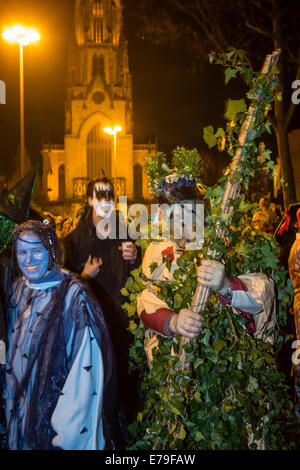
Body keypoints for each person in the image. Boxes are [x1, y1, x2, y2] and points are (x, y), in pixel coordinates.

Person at [137, 168, 276, 365]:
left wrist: (226, 286)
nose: (179, 221)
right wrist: (173, 322)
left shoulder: (230, 244)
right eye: (171, 214)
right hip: (177, 366)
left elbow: (263, 293)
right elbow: (146, 300)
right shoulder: (156, 250)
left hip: (226, 364)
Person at [4, 220, 119, 450]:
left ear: (51, 250)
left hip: (57, 425)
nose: (28, 260)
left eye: (36, 251)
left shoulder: (73, 296)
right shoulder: (17, 289)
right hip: (18, 421)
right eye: (22, 252)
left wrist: (67, 435)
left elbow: (86, 372)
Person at [64, 177, 140, 423]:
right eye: (100, 195)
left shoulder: (125, 232)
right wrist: (84, 277)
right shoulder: (73, 240)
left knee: (123, 379)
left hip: (121, 323)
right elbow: (64, 286)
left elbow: (138, 277)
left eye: (109, 195)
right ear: (90, 201)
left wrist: (134, 258)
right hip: (89, 324)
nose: (105, 200)